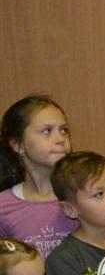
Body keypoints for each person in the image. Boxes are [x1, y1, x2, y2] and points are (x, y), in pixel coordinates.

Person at [0, 95, 78, 257]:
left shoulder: (84, 194)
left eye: (64, 130)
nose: (60, 139)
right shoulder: (3, 207)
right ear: (17, 145)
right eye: (47, 131)